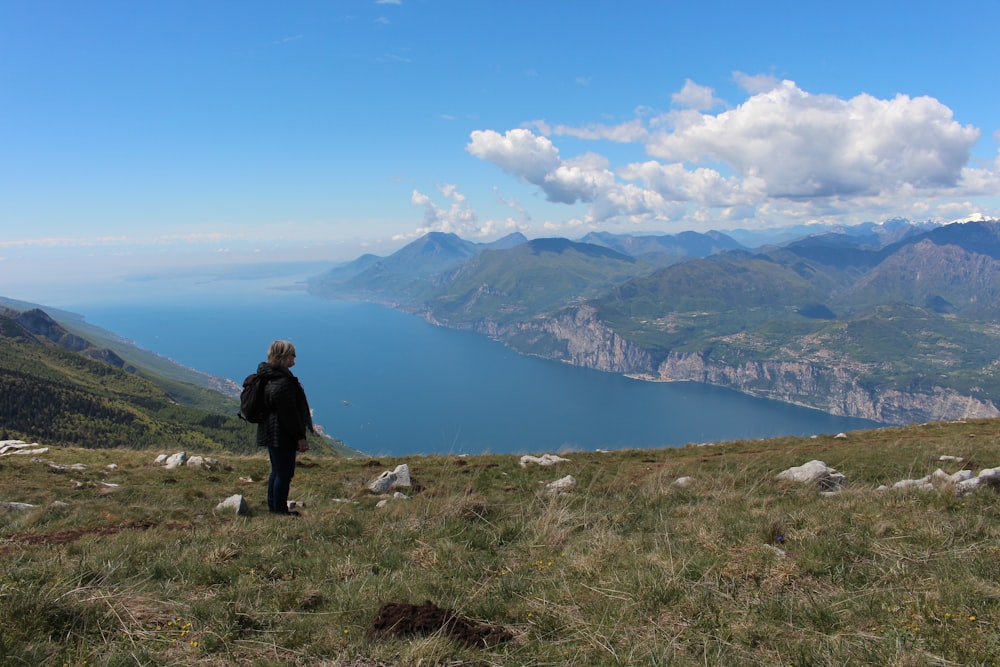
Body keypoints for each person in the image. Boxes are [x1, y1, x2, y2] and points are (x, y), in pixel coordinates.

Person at [255, 340, 314, 515]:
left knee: (277, 471)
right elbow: (289, 415)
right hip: (280, 434)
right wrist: (299, 437)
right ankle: (280, 512)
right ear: (283, 357)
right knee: (284, 473)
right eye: (292, 354)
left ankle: (275, 508)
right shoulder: (282, 382)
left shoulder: (268, 376)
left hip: (271, 431)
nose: (294, 358)